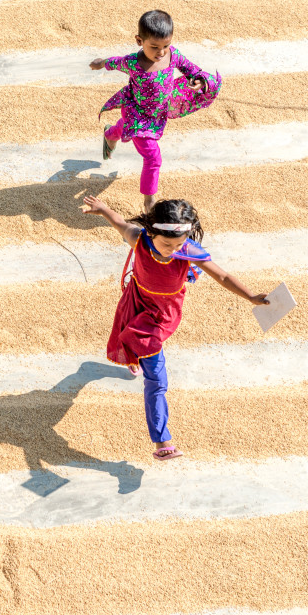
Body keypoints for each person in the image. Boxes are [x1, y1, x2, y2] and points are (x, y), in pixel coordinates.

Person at [81, 195, 269, 460]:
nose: (173, 249)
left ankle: (136, 354)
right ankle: (162, 442)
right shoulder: (138, 238)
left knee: (143, 354)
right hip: (139, 309)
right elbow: (120, 223)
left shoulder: (187, 250)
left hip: (166, 312)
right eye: (167, 243)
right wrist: (103, 210)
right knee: (157, 380)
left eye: (179, 244)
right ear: (151, 232)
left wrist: (250, 296)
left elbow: (223, 276)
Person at [89, 10, 221, 212]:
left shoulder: (173, 55)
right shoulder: (133, 62)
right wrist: (100, 63)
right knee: (153, 158)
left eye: (165, 46)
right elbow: (114, 62)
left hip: (158, 113)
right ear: (139, 41)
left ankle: (110, 134)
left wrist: (200, 80)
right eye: (154, 47)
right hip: (135, 111)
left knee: (129, 131)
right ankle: (149, 203)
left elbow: (192, 69)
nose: (161, 52)